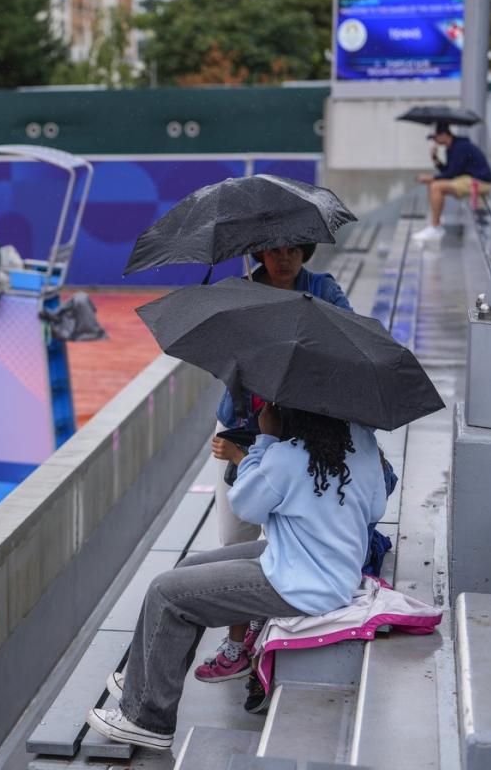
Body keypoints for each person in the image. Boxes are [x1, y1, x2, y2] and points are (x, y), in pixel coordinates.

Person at [85, 405, 388, 750]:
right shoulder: (362, 445)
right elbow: (375, 508)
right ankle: (145, 683)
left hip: (302, 582)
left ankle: (147, 720)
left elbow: (245, 505)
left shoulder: (287, 457)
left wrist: (265, 441)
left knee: (166, 594)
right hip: (323, 566)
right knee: (185, 572)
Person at [198, 244, 352, 683]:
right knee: (235, 535)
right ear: (259, 253)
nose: (284, 260)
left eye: (293, 251)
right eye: (273, 251)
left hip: (305, 428)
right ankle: (237, 636)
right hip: (245, 423)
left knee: (289, 532)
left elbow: (350, 340)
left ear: (305, 251)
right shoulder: (241, 294)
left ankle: (259, 627)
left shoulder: (321, 289)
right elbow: (223, 360)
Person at [414, 122, 491, 241]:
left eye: (435, 137)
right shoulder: (453, 147)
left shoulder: (460, 147)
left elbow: (451, 174)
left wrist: (431, 178)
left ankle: (435, 227)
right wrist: (435, 159)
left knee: (436, 186)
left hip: (481, 182)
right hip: (469, 179)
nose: (435, 141)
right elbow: (449, 171)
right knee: (433, 185)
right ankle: (436, 224)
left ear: (444, 135)